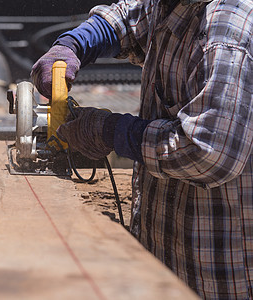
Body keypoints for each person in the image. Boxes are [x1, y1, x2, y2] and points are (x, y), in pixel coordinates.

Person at [31, 0, 252, 299]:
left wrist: (112, 131)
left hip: (218, 271)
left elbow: (208, 152)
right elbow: (129, 17)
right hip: (164, 253)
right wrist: (73, 45)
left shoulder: (227, 34)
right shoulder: (172, 4)